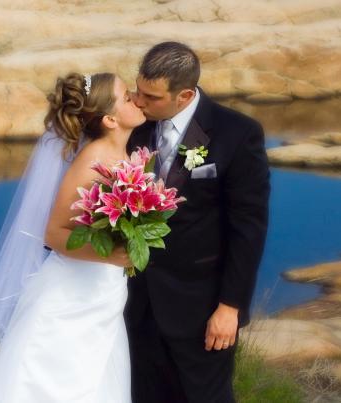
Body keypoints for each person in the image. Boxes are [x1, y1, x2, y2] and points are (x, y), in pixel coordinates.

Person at [0, 72, 145, 403]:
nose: (136, 97)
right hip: (72, 294)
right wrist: (113, 255)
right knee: (48, 381)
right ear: (110, 119)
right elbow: (53, 232)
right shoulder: (93, 159)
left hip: (104, 292)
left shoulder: (125, 156)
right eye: (126, 97)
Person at [125, 41, 270, 403]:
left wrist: (230, 307)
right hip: (137, 305)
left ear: (185, 94)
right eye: (137, 90)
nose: (138, 102)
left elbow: (248, 228)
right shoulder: (133, 127)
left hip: (201, 309)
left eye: (150, 97)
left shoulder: (237, 133)